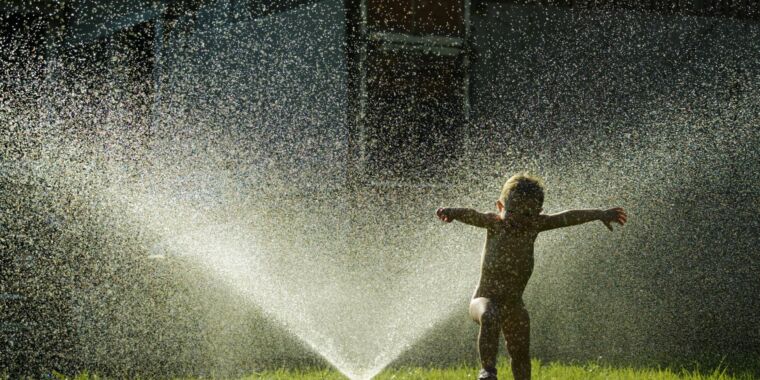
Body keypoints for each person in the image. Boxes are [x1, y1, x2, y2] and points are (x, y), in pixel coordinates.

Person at [436, 173, 627, 380]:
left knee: (520, 354)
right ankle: (488, 371)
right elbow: (472, 214)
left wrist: (599, 214)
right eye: (513, 211)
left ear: (538, 213)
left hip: (514, 304)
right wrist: (453, 212)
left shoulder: (535, 226)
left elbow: (569, 216)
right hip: (484, 299)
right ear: (500, 207)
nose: (519, 218)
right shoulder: (494, 223)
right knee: (490, 315)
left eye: (527, 214)